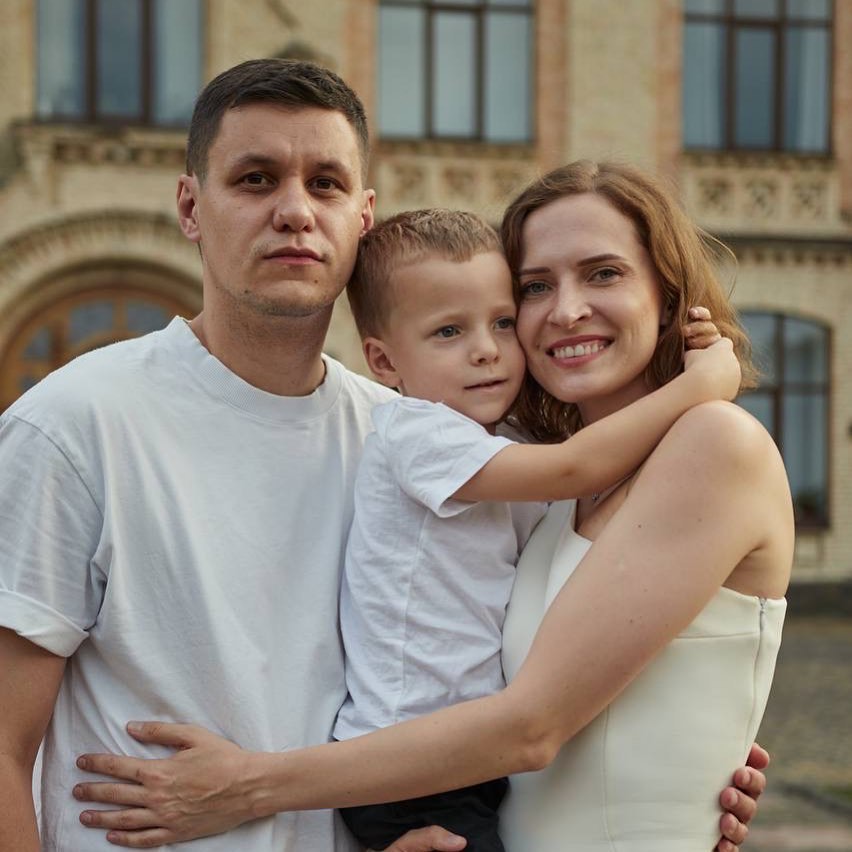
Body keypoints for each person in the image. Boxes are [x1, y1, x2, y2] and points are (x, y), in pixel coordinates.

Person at [68, 162, 785, 852]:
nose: (566, 310)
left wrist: (246, 786)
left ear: (668, 293)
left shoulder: (714, 441)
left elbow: (531, 728)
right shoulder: (547, 485)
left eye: (604, 273)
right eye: (535, 286)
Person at [331, 208, 739, 851]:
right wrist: (700, 386)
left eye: (501, 321)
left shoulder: (503, 443)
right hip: (407, 763)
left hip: (469, 757)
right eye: (448, 331)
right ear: (383, 361)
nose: (487, 349)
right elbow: (577, 466)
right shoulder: (416, 437)